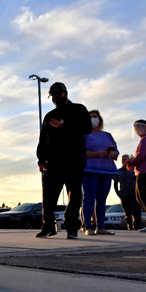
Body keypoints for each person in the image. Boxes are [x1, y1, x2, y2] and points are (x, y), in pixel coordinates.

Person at [35, 82, 91, 239]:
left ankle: (72, 228)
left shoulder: (79, 110)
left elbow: (86, 128)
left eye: (59, 94)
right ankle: (48, 227)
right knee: (48, 197)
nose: (56, 98)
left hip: (74, 161)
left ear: (66, 93)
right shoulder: (49, 116)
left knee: (74, 197)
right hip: (53, 162)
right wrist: (41, 159)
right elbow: (43, 139)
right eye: (53, 96)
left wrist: (64, 125)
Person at [82, 110, 119, 236]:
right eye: (90, 117)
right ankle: (88, 226)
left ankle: (101, 227)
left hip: (106, 170)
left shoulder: (107, 135)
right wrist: (98, 154)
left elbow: (116, 152)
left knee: (102, 199)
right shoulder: (84, 135)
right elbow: (81, 153)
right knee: (89, 198)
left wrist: (112, 154)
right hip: (89, 170)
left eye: (95, 116)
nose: (93, 119)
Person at [114, 155, 142, 230]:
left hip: (134, 194)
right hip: (124, 195)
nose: (124, 161)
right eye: (122, 160)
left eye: (125, 159)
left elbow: (139, 181)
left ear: (129, 160)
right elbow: (115, 183)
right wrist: (118, 193)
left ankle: (137, 227)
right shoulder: (119, 171)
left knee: (136, 212)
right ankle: (129, 226)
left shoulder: (134, 169)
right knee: (127, 213)